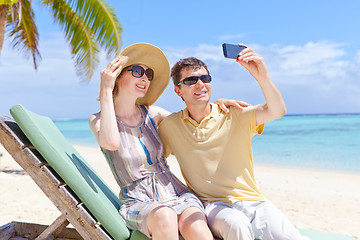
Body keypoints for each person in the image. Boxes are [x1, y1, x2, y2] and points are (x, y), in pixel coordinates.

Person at [89, 43, 247, 239]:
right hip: (138, 202)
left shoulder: (154, 114)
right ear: (118, 75)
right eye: (138, 71)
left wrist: (214, 105)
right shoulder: (99, 120)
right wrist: (105, 88)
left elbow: (192, 120)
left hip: (177, 193)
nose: (145, 78)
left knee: (196, 226)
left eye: (149, 74)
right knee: (165, 215)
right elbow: (111, 143)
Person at [158, 44, 310, 240]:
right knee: (237, 224)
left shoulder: (233, 113)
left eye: (205, 78)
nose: (200, 84)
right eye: (191, 80)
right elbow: (151, 153)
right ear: (178, 91)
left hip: (254, 201)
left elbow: (277, 110)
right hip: (214, 206)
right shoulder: (171, 126)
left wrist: (261, 75)